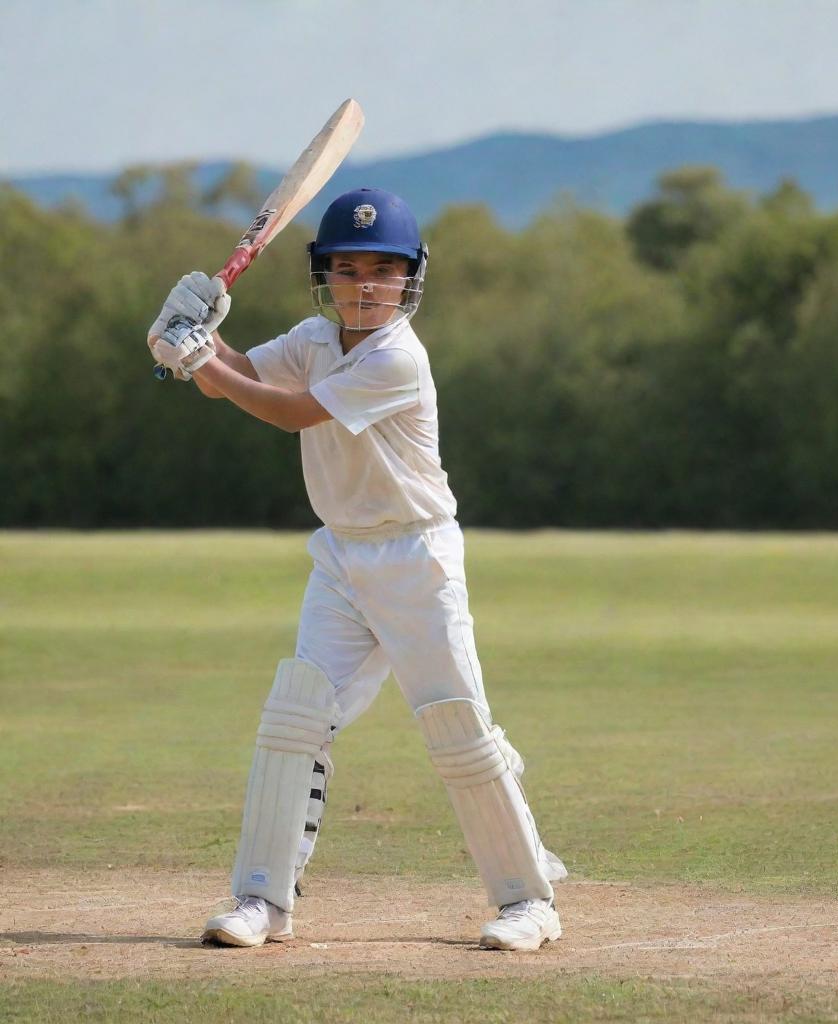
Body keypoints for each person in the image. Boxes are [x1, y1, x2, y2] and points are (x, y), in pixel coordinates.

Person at [147, 187, 566, 952]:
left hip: (416, 556)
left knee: (457, 727)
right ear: (325, 276)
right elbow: (247, 374)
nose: (366, 284)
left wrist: (202, 359)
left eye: (384, 268)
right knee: (295, 716)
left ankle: (528, 901)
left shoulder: (398, 356)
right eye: (348, 268)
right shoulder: (314, 337)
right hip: (341, 555)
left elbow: (290, 412)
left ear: (411, 277)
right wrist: (185, 344)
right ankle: (262, 901)